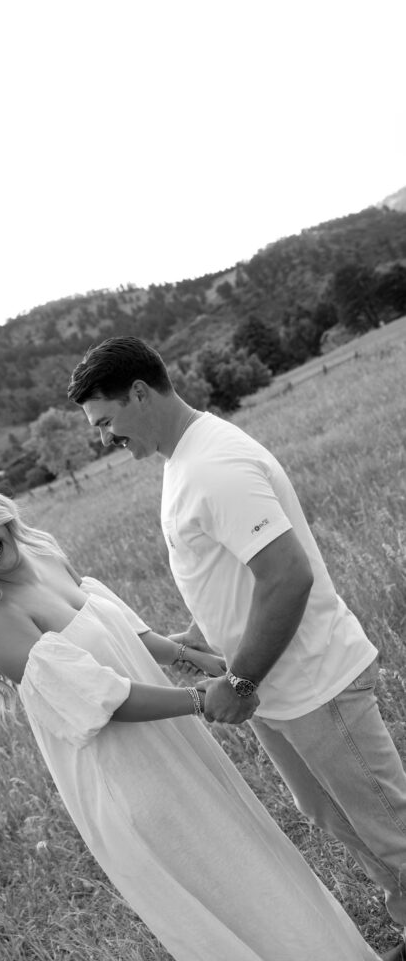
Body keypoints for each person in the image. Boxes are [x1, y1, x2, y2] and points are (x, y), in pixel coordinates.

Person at [0, 479, 381, 961]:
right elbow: (101, 701)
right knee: (227, 886)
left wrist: (189, 655)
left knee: (254, 854)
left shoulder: (43, 554)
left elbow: (120, 629)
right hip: (128, 774)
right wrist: (202, 700)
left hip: (170, 743)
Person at [68, 334, 406, 961]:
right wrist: (197, 638)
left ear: (140, 393)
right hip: (277, 690)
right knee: (333, 815)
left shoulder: (214, 463)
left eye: (107, 421)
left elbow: (287, 576)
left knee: (389, 826)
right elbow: (234, 573)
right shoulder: (182, 459)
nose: (106, 438)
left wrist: (240, 682)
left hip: (313, 683)